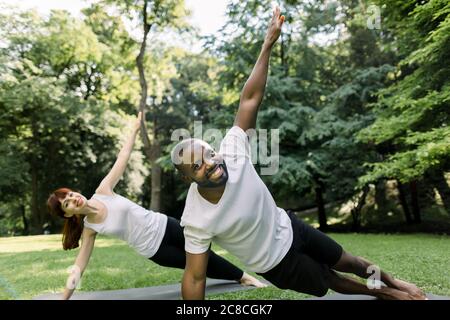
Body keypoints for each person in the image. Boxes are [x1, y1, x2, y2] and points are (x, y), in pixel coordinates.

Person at [171, 6, 426, 300]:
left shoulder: (231, 150)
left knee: (351, 261)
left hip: (289, 225)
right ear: (188, 178)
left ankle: (395, 284)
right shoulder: (196, 219)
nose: (210, 163)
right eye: (197, 166)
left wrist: (267, 45)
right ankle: (386, 295)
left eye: (208, 154)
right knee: (331, 279)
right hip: (275, 262)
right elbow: (194, 275)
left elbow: (250, 99)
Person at [47, 112, 265, 300]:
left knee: (203, 250)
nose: (73, 199)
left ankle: (244, 274)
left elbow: (122, 157)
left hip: (165, 225)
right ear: (68, 214)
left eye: (71, 194)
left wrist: (133, 131)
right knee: (198, 265)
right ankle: (243, 277)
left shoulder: (103, 191)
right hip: (156, 249)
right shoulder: (90, 229)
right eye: (67, 203)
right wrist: (65, 297)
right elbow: (79, 266)